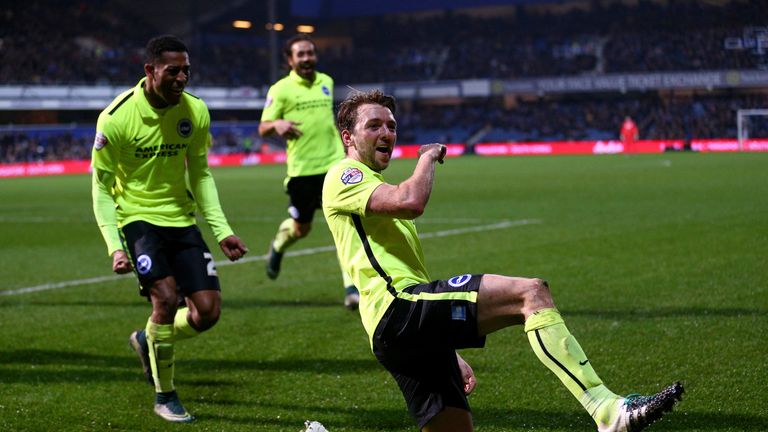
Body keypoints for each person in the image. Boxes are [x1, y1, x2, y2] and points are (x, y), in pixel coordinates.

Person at [322, 90, 684, 432]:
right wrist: (428, 156)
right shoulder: (344, 175)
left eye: (391, 126)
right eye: (374, 125)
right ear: (348, 137)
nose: (386, 132)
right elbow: (410, 200)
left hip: (403, 328)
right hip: (399, 310)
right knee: (530, 293)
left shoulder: (370, 185)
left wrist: (442, 344)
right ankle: (606, 409)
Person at [91, 35, 248, 423]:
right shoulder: (116, 117)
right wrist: (115, 244)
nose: (181, 78)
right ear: (150, 71)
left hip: (181, 218)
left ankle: (148, 339)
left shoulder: (195, 112)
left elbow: (202, 174)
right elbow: (100, 187)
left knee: (207, 313)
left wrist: (222, 230)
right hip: (137, 219)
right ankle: (166, 396)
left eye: (186, 71)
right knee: (164, 298)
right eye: (172, 70)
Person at [259, 34, 359, 309]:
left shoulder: (326, 82)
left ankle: (352, 289)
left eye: (310, 53)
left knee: (346, 226)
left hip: (333, 165)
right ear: (290, 60)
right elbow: (263, 127)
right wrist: (277, 124)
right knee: (301, 229)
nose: (306, 58)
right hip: (302, 172)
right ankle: (279, 246)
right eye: (300, 54)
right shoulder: (279, 90)